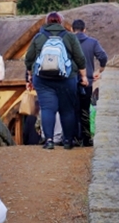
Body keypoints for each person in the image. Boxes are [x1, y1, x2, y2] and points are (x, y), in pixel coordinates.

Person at [24, 12, 87, 150]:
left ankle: (49, 140)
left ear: (47, 22)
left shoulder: (39, 37)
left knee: (47, 108)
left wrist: (29, 74)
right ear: (61, 22)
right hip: (67, 78)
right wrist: (83, 76)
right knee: (67, 110)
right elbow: (80, 58)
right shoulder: (70, 37)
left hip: (43, 79)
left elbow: (29, 58)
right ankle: (68, 141)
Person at [71, 19, 107, 147]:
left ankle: (74, 138)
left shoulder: (66, 42)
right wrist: (100, 70)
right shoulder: (92, 42)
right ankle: (86, 139)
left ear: (72, 29)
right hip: (87, 82)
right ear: (84, 29)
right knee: (85, 110)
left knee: (72, 110)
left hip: (70, 82)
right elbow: (103, 57)